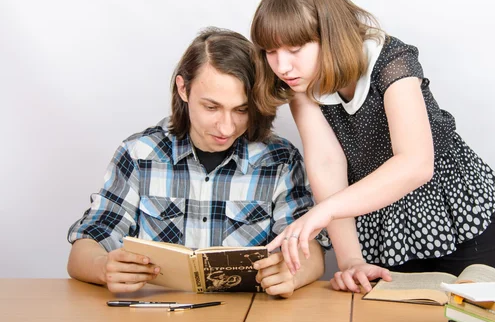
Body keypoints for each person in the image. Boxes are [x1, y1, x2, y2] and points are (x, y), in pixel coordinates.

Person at [250, 0, 495, 293]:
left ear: (329, 35)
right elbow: (327, 167)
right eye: (270, 52)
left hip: (455, 216)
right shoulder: (300, 85)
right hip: (387, 227)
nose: (282, 66)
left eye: (295, 48)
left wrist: (321, 213)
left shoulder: (389, 59)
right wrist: (350, 261)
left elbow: (416, 163)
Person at [67, 27, 326, 298]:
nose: (226, 127)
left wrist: (291, 275)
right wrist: (103, 266)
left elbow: (313, 253)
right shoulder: (139, 154)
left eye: (241, 110)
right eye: (211, 107)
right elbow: (86, 245)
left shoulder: (280, 161)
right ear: (183, 89)